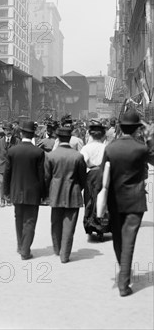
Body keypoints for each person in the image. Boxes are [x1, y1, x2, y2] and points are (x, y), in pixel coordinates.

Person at [100, 110, 154, 297]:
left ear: (120, 127)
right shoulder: (141, 148)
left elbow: (102, 177)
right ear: (137, 128)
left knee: (118, 239)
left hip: (114, 201)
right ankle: (124, 282)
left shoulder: (110, 148)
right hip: (135, 200)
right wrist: (150, 137)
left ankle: (124, 272)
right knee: (129, 241)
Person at [4, 120, 45, 260]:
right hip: (33, 193)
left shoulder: (12, 151)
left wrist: (6, 192)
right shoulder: (38, 152)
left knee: (18, 218)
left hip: (16, 191)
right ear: (33, 134)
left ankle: (20, 245)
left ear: (21, 134)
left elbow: (7, 173)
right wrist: (44, 194)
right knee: (30, 221)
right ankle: (25, 251)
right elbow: (42, 176)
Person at [45, 125, 87, 263]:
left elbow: (46, 177)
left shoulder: (51, 156)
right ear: (70, 138)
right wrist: (76, 187)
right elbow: (82, 179)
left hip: (55, 192)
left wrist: (48, 192)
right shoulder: (78, 156)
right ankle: (65, 255)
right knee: (69, 226)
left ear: (57, 138)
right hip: (73, 193)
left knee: (55, 222)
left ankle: (57, 249)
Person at [81, 119, 108, 238]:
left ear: (90, 134)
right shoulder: (106, 147)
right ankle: (102, 226)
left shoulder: (86, 148)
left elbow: (84, 161)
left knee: (89, 200)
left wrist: (91, 165)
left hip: (91, 175)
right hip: (104, 174)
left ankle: (90, 225)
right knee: (103, 200)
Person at [0, 122, 15, 207]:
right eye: (6, 130)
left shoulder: (16, 141)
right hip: (2, 165)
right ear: (4, 131)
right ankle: (2, 200)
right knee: (2, 182)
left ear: (12, 131)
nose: (8, 132)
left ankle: (9, 199)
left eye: (10, 130)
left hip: (12, 166)